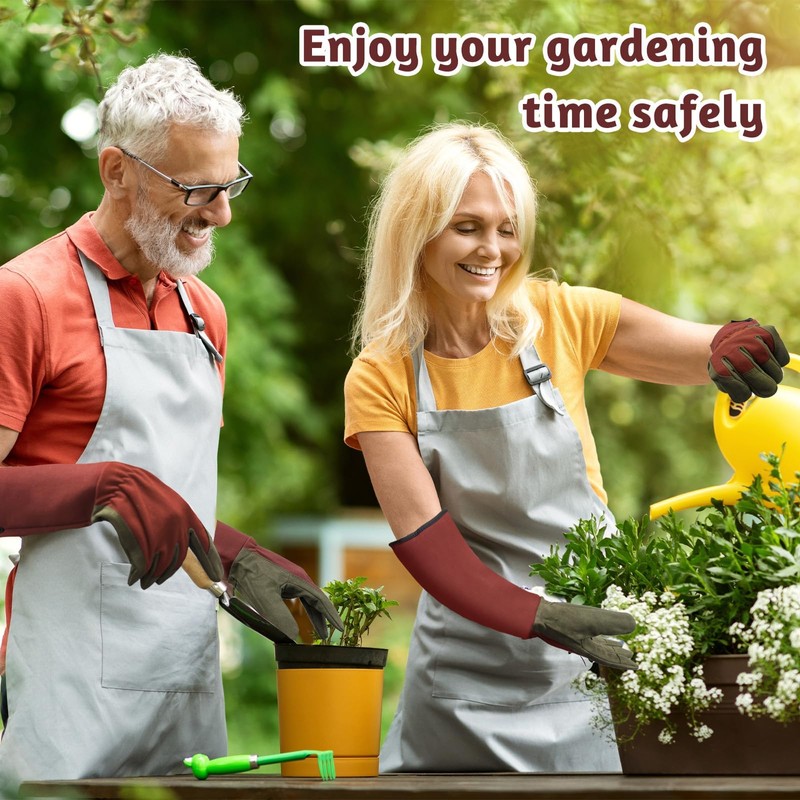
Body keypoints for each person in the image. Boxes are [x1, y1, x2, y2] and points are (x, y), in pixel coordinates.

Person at [343, 121, 789, 772]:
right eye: (467, 227)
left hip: (589, 667)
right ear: (419, 231)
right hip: (465, 683)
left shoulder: (557, 319)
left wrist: (731, 345)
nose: (491, 249)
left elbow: (698, 349)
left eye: (506, 227)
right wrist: (539, 615)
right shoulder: (381, 375)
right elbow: (427, 544)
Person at [0, 54, 340, 789]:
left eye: (229, 185)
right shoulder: (26, 295)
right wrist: (101, 488)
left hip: (185, 673)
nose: (220, 213)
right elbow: (120, 495)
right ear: (116, 170)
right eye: (195, 188)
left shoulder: (204, 312)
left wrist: (242, 554)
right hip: (70, 686)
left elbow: (169, 505)